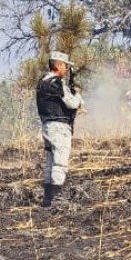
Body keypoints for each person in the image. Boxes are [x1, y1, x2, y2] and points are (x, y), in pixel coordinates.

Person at [36, 51, 84, 208]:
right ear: (57, 65)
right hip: (60, 128)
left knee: (50, 161)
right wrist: (78, 96)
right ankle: (57, 198)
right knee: (60, 163)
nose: (66, 70)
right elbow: (71, 103)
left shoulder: (42, 83)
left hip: (47, 127)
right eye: (65, 66)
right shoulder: (57, 83)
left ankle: (47, 199)